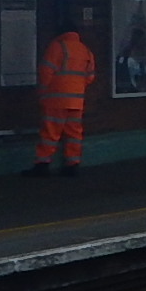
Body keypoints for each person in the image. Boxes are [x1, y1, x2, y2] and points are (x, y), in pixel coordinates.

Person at [26, 23, 96, 177]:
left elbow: (46, 71)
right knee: (74, 133)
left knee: (50, 132)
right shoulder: (85, 50)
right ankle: (72, 165)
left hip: (55, 99)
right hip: (77, 101)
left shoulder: (57, 47)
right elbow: (90, 77)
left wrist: (42, 92)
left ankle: (42, 164)